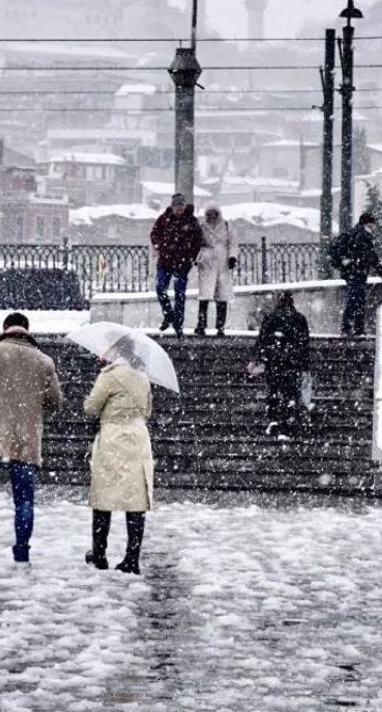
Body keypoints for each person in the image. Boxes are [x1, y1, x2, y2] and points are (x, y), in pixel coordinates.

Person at [0, 312, 63, 566]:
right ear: (27, 330)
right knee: (24, 498)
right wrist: (30, 402)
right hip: (25, 436)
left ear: (5, 328)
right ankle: (22, 551)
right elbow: (55, 400)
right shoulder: (44, 361)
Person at [83, 335, 154, 576]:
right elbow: (147, 410)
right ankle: (131, 558)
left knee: (104, 496)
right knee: (136, 499)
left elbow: (91, 408)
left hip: (112, 437)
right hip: (137, 437)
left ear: (115, 351)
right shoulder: (143, 376)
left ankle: (99, 554)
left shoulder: (110, 375)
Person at [251, 291, 311, 437]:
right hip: (292, 361)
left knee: (273, 390)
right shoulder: (299, 318)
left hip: (274, 361)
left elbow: (262, 340)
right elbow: (304, 343)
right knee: (290, 392)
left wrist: (257, 358)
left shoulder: (270, 317)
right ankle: (289, 419)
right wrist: (304, 365)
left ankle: (273, 419)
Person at [150, 194, 203, 338]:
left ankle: (178, 324)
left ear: (184, 207)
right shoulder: (164, 218)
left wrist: (191, 256)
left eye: (181, 207)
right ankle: (169, 315)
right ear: (172, 207)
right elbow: (154, 233)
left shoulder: (191, 221)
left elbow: (198, 240)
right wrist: (160, 245)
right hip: (165, 261)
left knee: (180, 294)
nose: (179, 210)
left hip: (183, 262)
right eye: (177, 207)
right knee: (160, 287)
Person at [329, 210, 382, 336]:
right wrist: (378, 268)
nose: (372, 228)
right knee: (356, 301)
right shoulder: (362, 235)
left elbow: (366, 254)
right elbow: (370, 255)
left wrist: (344, 264)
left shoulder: (353, 233)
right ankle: (353, 329)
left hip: (352, 273)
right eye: (371, 225)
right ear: (366, 224)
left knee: (355, 300)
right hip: (357, 272)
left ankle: (350, 328)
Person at [195, 206, 238, 337]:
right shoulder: (202, 226)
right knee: (204, 295)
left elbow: (233, 243)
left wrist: (232, 257)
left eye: (214, 214)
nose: (212, 216)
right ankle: (201, 325)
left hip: (222, 263)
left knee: (222, 296)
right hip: (207, 263)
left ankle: (220, 326)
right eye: (209, 214)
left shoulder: (226, 225)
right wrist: (197, 257)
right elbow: (196, 242)